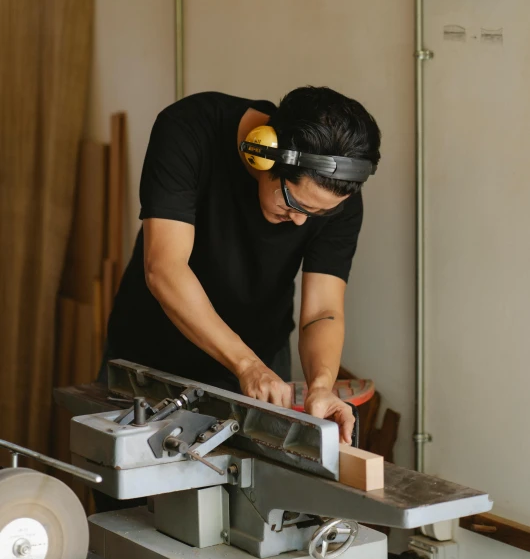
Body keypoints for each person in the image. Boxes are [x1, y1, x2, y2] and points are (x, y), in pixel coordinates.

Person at [102, 86, 381, 444]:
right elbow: (164, 268)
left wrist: (321, 386)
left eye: (319, 214)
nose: (301, 222)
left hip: (261, 362)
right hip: (152, 356)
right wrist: (246, 365)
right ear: (262, 153)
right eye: (293, 203)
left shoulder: (333, 201)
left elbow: (322, 310)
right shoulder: (190, 130)